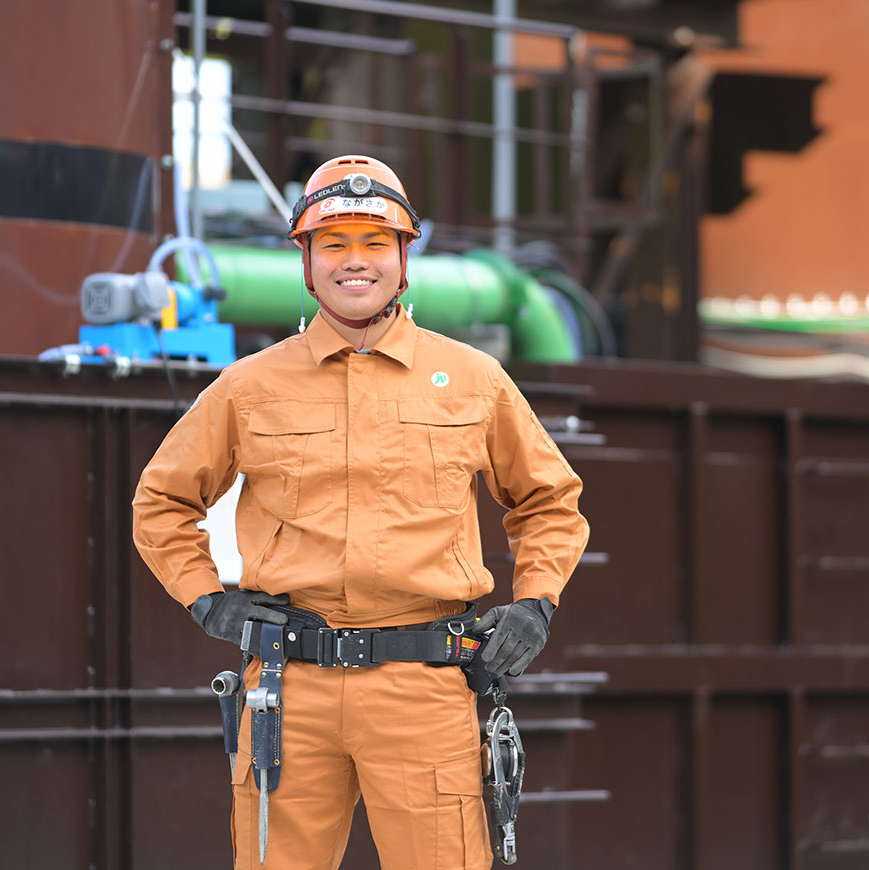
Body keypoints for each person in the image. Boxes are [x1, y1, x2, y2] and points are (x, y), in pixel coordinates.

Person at [132, 154, 589, 870]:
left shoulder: (471, 381)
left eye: (375, 244)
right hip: (289, 689)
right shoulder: (248, 387)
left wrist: (536, 604)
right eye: (334, 244)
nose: (355, 263)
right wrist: (208, 603)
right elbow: (160, 502)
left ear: (404, 259)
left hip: (424, 690)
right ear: (305, 261)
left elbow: (548, 501)